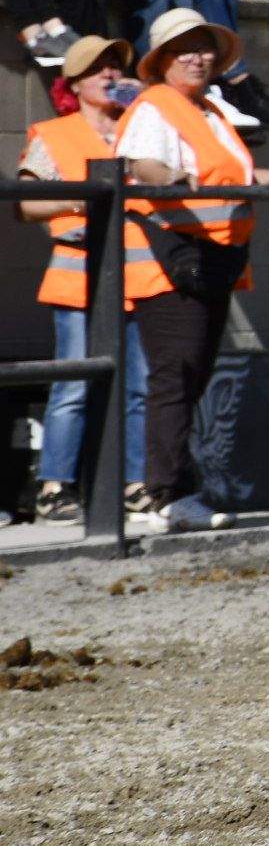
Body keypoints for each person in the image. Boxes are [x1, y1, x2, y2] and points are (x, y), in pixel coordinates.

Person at [115, 7, 269, 534]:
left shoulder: (210, 111)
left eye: (205, 47)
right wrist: (168, 175)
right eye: (185, 49)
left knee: (189, 376)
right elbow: (139, 164)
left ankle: (172, 491)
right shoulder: (157, 106)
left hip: (206, 263)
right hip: (170, 262)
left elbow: (232, 175)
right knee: (176, 376)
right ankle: (162, 496)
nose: (200, 57)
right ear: (163, 60)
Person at [16, 34, 141, 525]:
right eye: (97, 70)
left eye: (116, 67)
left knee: (141, 382)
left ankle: (136, 484)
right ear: (74, 83)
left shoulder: (139, 128)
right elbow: (27, 206)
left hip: (137, 269)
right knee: (74, 383)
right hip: (77, 270)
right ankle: (55, 487)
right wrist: (85, 197)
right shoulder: (53, 133)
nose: (109, 76)